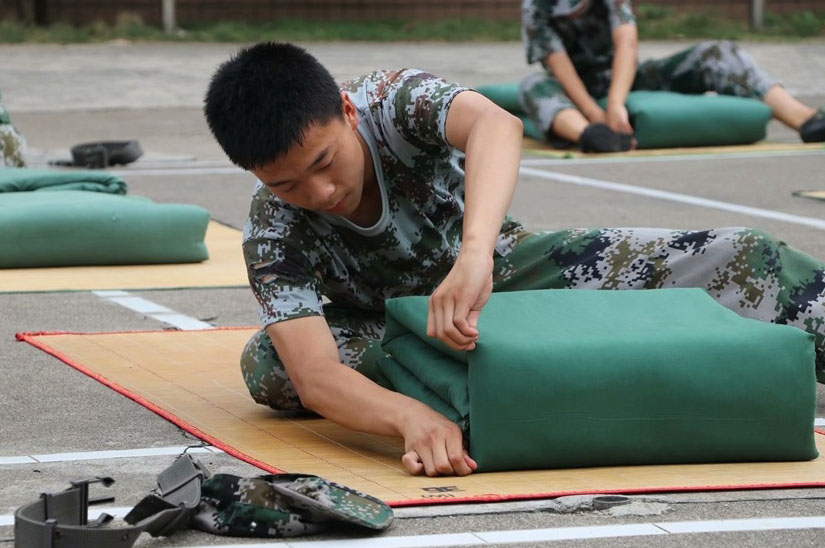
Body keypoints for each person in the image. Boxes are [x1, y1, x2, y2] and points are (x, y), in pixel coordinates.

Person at [203, 42, 825, 478]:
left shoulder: (391, 101)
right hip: (396, 324)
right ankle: (497, 387)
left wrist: (474, 255)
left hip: (500, 271)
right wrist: (409, 420)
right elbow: (315, 377)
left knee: (736, 255)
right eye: (286, 184)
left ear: (345, 111)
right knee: (270, 364)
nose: (319, 194)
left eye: (322, 164)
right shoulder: (271, 229)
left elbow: (496, 126)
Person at [520, 0, 825, 152]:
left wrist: (615, 102)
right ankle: (592, 137)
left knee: (717, 52)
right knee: (532, 86)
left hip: (626, 79)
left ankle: (805, 119)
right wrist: (595, 115)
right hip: (576, 88)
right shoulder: (534, 6)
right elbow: (560, 65)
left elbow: (627, 42)